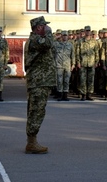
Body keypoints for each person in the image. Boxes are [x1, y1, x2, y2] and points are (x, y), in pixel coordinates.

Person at [24, 16, 57, 154]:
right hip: (38, 82)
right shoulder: (35, 40)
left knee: (37, 111)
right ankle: (31, 143)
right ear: (38, 27)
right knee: (36, 111)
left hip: (42, 81)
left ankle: (32, 141)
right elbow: (48, 44)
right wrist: (49, 32)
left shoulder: (38, 39)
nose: (47, 27)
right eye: (44, 26)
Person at [76, 26, 99, 101]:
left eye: (89, 31)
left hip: (91, 63)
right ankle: (83, 94)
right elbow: (77, 53)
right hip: (83, 63)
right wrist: (78, 62)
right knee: (82, 79)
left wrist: (96, 62)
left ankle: (89, 94)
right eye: (86, 31)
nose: (88, 32)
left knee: (90, 80)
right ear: (84, 32)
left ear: (90, 31)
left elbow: (96, 52)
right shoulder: (80, 41)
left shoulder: (94, 42)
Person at [53, 30, 75, 101]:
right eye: (63, 35)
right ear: (61, 36)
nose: (65, 37)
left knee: (66, 81)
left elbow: (73, 55)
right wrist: (56, 37)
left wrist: (73, 64)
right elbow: (51, 45)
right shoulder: (57, 44)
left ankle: (65, 95)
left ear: (68, 36)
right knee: (59, 81)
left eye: (66, 35)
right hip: (59, 65)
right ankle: (60, 95)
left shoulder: (70, 45)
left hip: (67, 65)